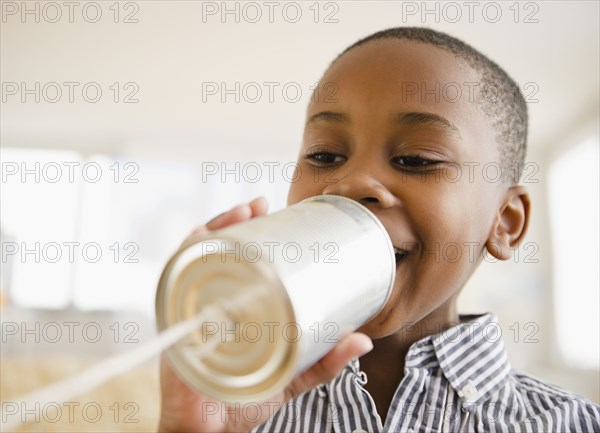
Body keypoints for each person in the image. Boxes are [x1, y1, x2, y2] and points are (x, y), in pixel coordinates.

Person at [158, 27, 600, 432]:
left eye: (417, 159)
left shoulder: (572, 423)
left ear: (504, 223)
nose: (351, 182)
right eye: (326, 156)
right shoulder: (243, 412)